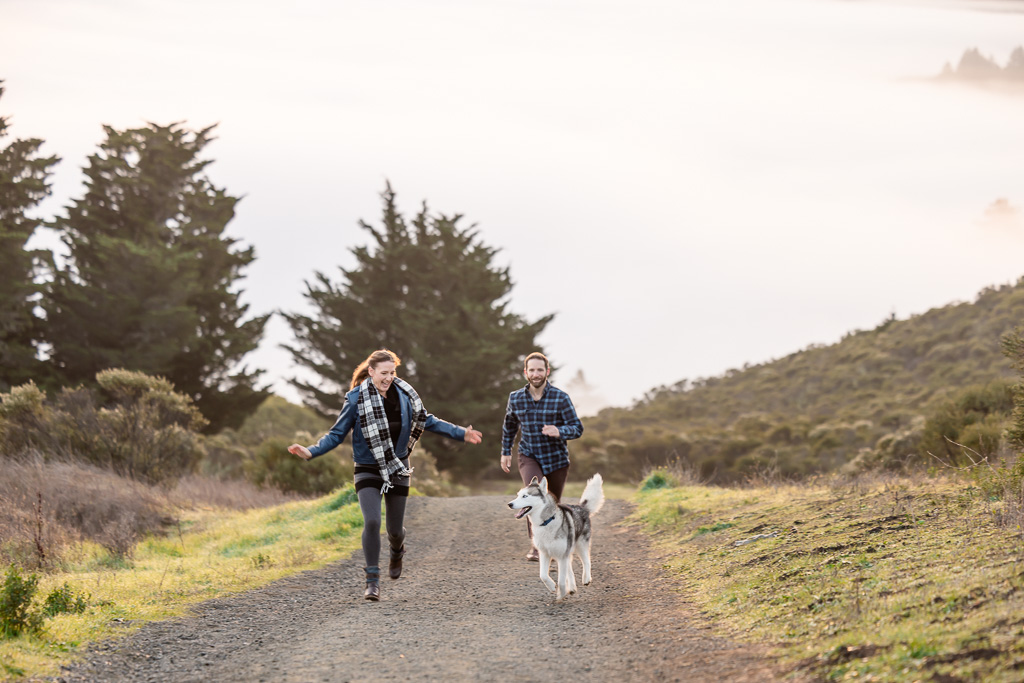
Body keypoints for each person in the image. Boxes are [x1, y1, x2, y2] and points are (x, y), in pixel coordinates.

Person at [289, 349, 482, 601]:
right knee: (371, 522)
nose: (389, 377)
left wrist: (460, 433)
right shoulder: (356, 398)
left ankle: (397, 549)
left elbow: (428, 420)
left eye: (392, 372)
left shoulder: (405, 395)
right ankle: (372, 581)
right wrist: (311, 451)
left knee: (394, 529)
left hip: (397, 466)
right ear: (371, 372)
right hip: (367, 467)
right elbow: (336, 434)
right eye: (384, 373)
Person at [500, 351, 583, 561]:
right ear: (525, 372)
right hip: (528, 456)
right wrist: (505, 451)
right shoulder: (516, 398)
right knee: (533, 498)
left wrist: (560, 431)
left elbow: (577, 428)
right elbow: (509, 426)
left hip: (556, 460)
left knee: (552, 504)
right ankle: (537, 548)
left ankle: (555, 544)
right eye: (532, 370)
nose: (535, 374)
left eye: (539, 370)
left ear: (547, 372)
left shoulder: (560, 398)